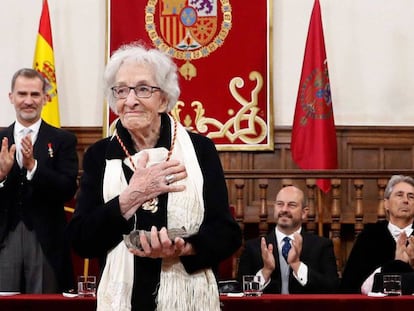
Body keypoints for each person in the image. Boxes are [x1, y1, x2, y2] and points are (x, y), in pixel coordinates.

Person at [66, 43, 242, 311]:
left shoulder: (199, 150)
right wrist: (131, 196)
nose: (131, 100)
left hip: (187, 297)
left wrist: (183, 248)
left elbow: (227, 235)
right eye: (121, 90)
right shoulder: (99, 155)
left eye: (143, 89)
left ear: (164, 99)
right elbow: (81, 239)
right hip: (125, 299)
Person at [0, 68, 79, 293]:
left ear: (45, 98)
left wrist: (33, 167)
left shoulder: (63, 140)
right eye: (22, 94)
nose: (28, 101)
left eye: (35, 95)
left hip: (47, 241)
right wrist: (1, 175)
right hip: (4, 239)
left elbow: (67, 189)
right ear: (11, 97)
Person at [237, 185, 339, 294]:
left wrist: (297, 265)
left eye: (291, 205)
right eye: (280, 204)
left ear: (304, 213)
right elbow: (242, 291)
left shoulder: (322, 246)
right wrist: (266, 271)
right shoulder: (253, 247)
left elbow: (332, 288)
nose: (284, 209)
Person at [340, 174, 414, 294]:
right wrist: (395, 265)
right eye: (399, 195)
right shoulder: (369, 236)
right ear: (386, 204)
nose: (406, 200)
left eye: (411, 197)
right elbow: (351, 285)